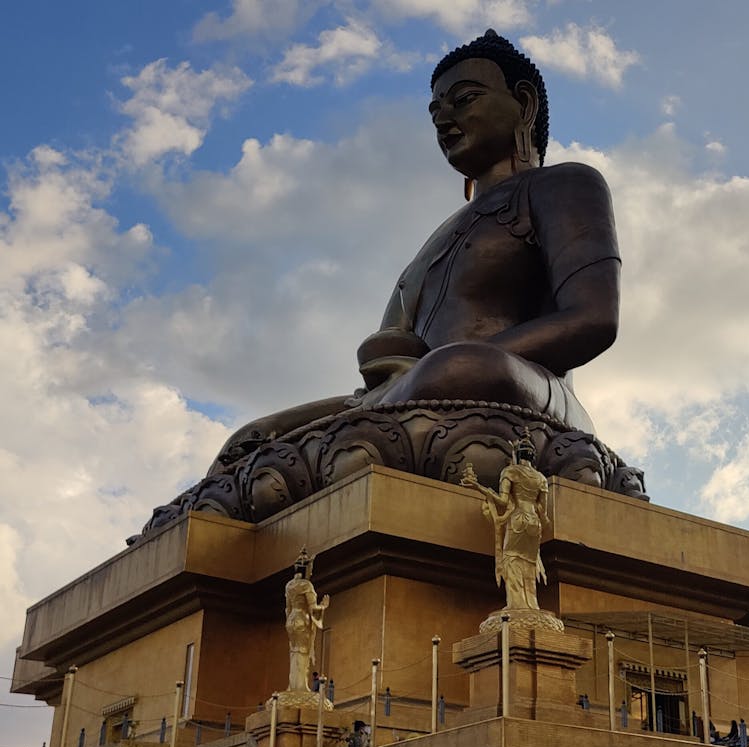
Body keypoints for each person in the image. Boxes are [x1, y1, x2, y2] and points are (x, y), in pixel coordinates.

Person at [210, 29, 620, 471]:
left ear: (525, 103)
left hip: (518, 389)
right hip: (410, 398)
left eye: (464, 99)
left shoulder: (563, 184)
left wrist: (443, 366)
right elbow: (396, 358)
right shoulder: (439, 238)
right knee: (248, 441)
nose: (444, 119)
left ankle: (356, 440)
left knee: (459, 369)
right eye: (435, 111)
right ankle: (343, 442)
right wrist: (389, 369)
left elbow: (594, 319)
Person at [461, 432, 549, 610]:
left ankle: (516, 605)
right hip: (534, 523)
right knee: (530, 563)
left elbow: (502, 501)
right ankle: (532, 606)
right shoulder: (541, 478)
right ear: (533, 456)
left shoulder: (510, 472)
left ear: (517, 454)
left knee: (511, 559)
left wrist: (479, 487)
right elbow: (542, 511)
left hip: (517, 520)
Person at [284, 550, 330, 692]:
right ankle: (300, 686)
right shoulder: (306, 586)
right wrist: (323, 606)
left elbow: (288, 608)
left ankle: (293, 684)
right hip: (302, 619)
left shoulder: (289, 585)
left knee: (294, 651)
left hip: (291, 620)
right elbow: (312, 608)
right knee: (302, 652)